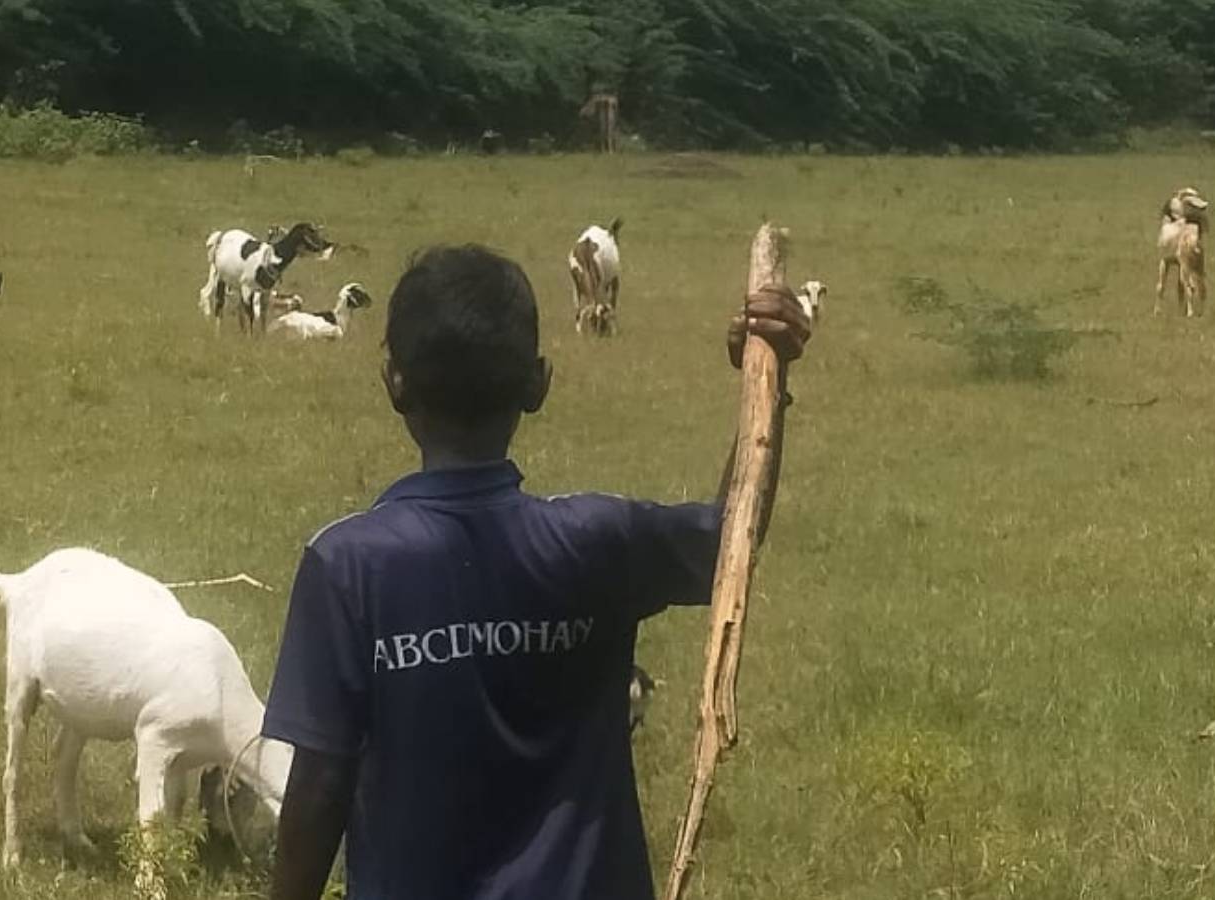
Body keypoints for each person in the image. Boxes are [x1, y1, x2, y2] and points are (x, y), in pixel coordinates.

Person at [262, 244, 811, 900]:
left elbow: (322, 784)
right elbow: (731, 541)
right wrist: (765, 382)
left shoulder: (348, 566)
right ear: (538, 383)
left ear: (394, 383)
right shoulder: (598, 540)